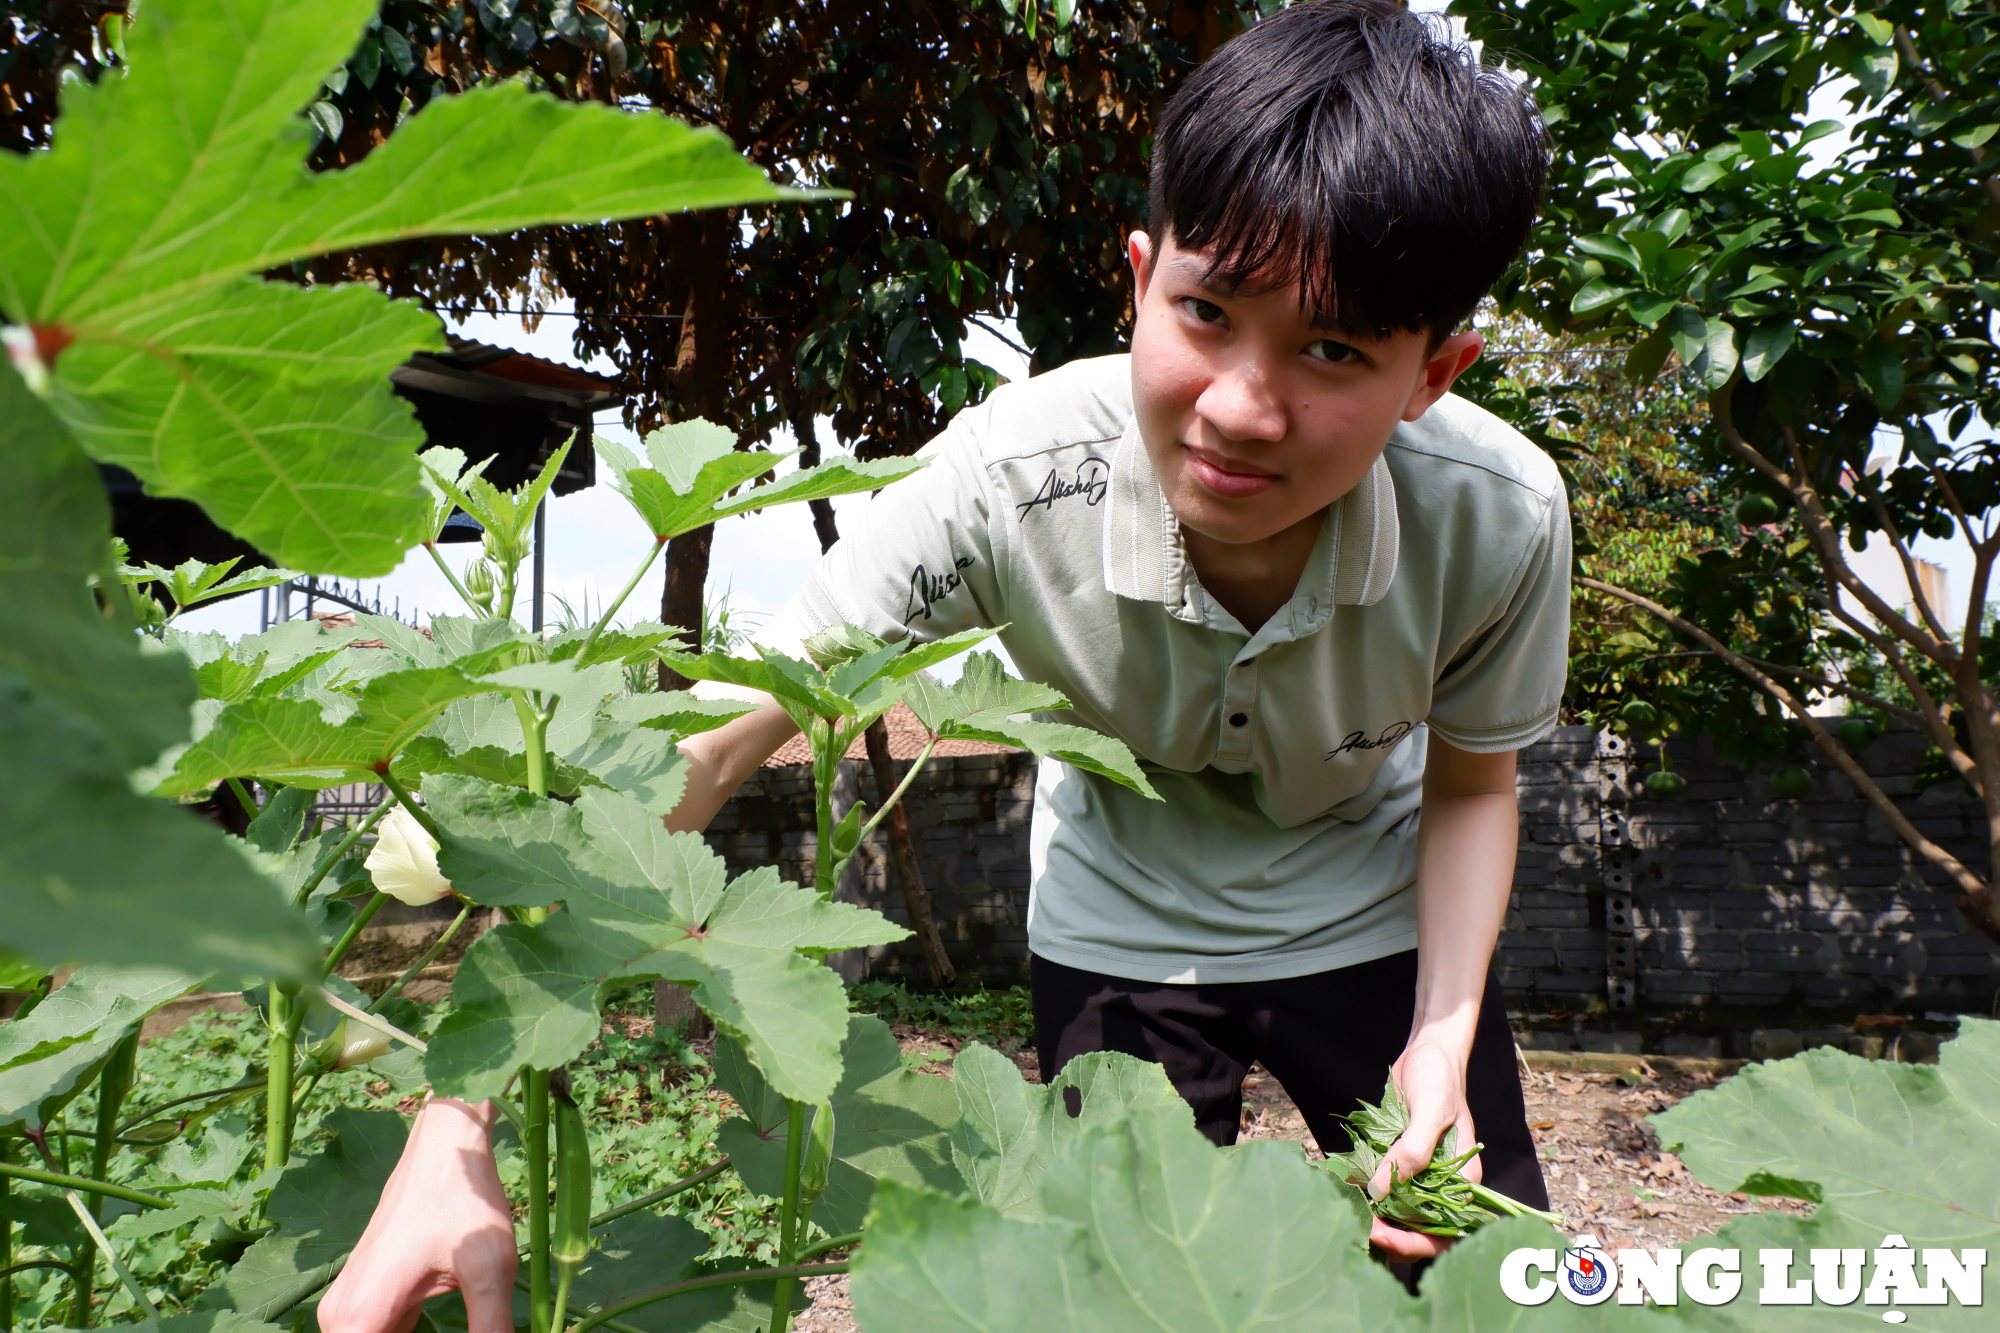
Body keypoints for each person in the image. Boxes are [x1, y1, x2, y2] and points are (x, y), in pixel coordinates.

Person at [319, 3, 1561, 1328]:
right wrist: (452, 1127)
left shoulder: (1497, 515)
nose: (1243, 407)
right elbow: (723, 731)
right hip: (1119, 922)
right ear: (1139, 278)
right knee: (1103, 1299)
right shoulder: (1004, 480)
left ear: (1434, 374)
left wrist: (1440, 1037)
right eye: (1206, 312)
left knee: (1498, 1289)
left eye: (1333, 350)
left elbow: (1475, 785)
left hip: (1370, 917)